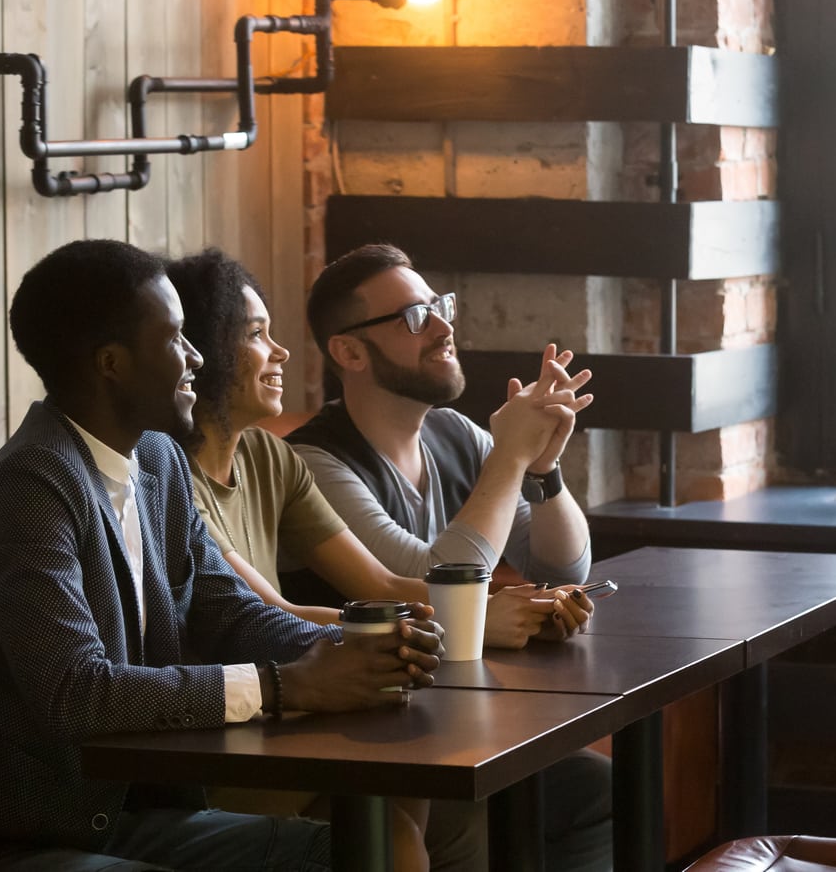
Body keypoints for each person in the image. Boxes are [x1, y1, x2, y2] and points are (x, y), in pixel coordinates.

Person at [0, 239, 442, 872]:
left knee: (387, 848)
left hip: (137, 814)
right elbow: (77, 692)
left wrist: (355, 654)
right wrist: (285, 685)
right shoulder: (32, 486)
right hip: (19, 836)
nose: (196, 357)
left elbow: (227, 611)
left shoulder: (157, 459)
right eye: (175, 338)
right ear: (111, 364)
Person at [164, 246, 597, 871]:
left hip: (319, 716)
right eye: (258, 335)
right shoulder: (173, 472)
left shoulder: (271, 457)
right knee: (405, 820)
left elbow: (387, 582)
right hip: (238, 735)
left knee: (485, 803)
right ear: (199, 355)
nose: (283, 352)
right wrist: (458, 622)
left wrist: (542, 476)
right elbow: (269, 612)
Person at [289, 242, 614, 872]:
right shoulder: (314, 463)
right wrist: (510, 461)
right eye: (415, 317)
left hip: (449, 722)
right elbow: (425, 581)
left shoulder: (454, 433)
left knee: (594, 789)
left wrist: (542, 469)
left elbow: (564, 569)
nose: (444, 327)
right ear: (349, 352)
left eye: (440, 306)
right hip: (361, 744)